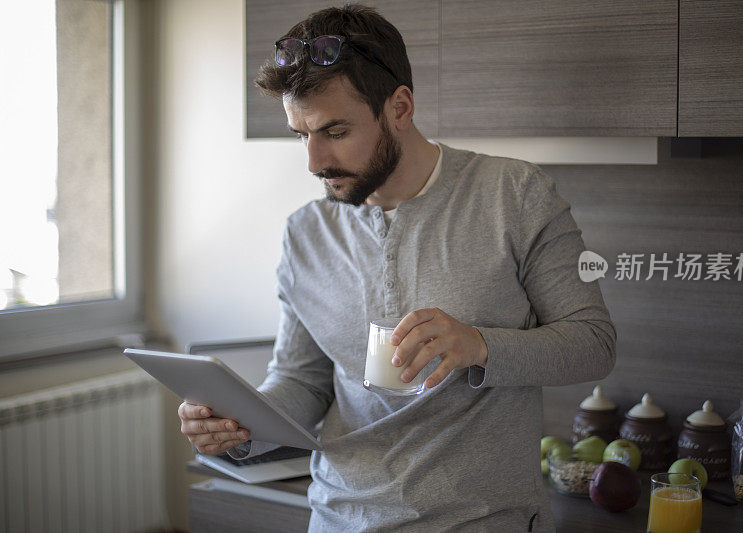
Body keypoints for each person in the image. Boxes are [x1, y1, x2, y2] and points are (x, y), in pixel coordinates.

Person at [178, 4, 615, 531]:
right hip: (339, 517)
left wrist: (479, 344)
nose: (314, 162)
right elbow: (303, 380)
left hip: (482, 520)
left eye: (334, 131)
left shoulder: (514, 195)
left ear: (400, 108)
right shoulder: (305, 234)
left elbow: (594, 343)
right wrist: (243, 424)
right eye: (301, 134)